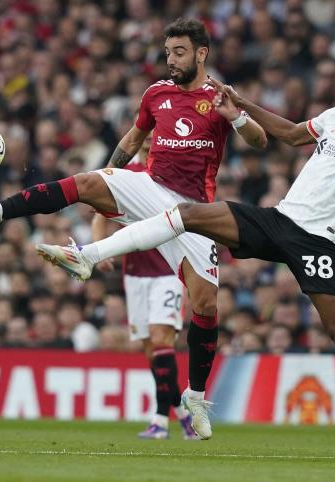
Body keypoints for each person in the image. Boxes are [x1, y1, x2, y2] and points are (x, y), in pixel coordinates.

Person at [37, 66, 335, 460]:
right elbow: (291, 135)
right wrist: (241, 104)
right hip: (280, 220)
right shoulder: (332, 120)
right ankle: (88, 255)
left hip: (317, 241)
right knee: (189, 214)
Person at [0, 18, 267, 440]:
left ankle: (195, 395)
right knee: (84, 182)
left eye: (179, 52)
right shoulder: (156, 94)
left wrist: (238, 119)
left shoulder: (220, 97)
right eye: (168, 51)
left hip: (194, 212)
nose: (170, 59)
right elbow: (134, 139)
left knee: (205, 306)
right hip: (149, 187)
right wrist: (111, 178)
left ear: (201, 54)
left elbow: (260, 141)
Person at [91, 133, 197, 439]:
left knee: (162, 339)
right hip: (135, 273)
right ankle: (182, 412)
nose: (151, 142)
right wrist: (100, 248)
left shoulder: (173, 169)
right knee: (153, 351)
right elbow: (100, 215)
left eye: (157, 136)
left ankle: (160, 421)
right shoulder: (126, 174)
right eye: (147, 136)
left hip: (169, 269)